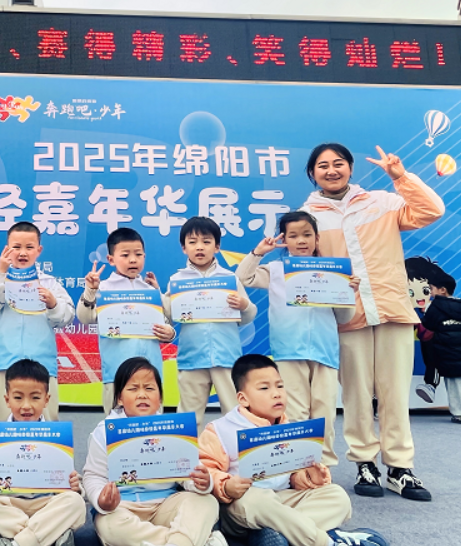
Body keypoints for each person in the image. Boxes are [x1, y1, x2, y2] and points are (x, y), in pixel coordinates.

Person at [302, 144, 443, 501]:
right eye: (322, 165)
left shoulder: (382, 202)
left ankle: (400, 467)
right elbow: (304, 267)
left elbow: (432, 210)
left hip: (392, 309)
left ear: (350, 168)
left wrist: (401, 177)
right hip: (347, 316)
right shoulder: (308, 216)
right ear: (312, 174)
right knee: (356, 394)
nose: (331, 170)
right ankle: (365, 462)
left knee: (394, 393)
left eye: (338, 163)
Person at [198, 354, 389, 546]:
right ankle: (327, 541)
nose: (276, 393)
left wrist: (309, 477)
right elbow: (204, 471)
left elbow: (292, 478)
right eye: (264, 388)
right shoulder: (220, 430)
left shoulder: (290, 429)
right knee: (256, 500)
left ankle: (274, 535)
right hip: (243, 505)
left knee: (337, 496)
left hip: (283, 499)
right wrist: (226, 486)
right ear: (243, 398)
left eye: (280, 386)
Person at [235, 211, 359, 465]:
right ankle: (298, 467)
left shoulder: (333, 272)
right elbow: (243, 278)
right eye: (293, 236)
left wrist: (348, 292)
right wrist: (258, 253)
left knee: (324, 412)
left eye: (307, 235)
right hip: (288, 351)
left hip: (324, 351)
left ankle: (323, 466)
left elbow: (344, 317)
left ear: (317, 238)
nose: (301, 240)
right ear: (284, 240)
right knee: (294, 411)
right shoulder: (276, 270)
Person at [83, 357, 223, 546]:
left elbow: (189, 472)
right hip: (122, 507)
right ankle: (186, 540)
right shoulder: (104, 431)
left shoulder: (172, 429)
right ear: (119, 398)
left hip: (166, 504)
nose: (142, 395)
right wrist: (102, 499)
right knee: (109, 525)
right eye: (133, 389)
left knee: (206, 502)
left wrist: (201, 482)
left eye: (149, 388)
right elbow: (93, 476)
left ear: (160, 397)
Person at [0, 359, 86, 546]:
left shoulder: (56, 437)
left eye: (35, 397)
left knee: (75, 503)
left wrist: (75, 487)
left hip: (46, 505)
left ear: (46, 399)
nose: (26, 405)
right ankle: (46, 536)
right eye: (18, 397)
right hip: (9, 506)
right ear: (7, 400)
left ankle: (13, 541)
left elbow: (69, 484)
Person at [163, 216, 256, 430]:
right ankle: (187, 452)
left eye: (206, 241)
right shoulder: (177, 281)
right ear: (184, 248)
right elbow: (169, 314)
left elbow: (248, 316)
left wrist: (244, 305)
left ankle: (234, 452)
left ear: (217, 247)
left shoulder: (230, 279)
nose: (199, 247)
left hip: (226, 356)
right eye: (192, 242)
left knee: (234, 413)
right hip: (192, 357)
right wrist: (160, 301)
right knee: (189, 416)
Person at [0, 222, 74, 421]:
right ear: (7, 249)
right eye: (16, 247)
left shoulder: (48, 283)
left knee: (47, 424)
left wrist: (53, 304)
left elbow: (66, 317)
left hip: (43, 363)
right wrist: (0, 273)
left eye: (29, 247)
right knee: (6, 424)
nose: (23, 253)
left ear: (39, 250)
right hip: (6, 362)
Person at [76, 227, 176, 413]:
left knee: (152, 424)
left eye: (138, 254)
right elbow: (85, 318)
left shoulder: (150, 290)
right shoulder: (104, 289)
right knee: (117, 423)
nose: (133, 260)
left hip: (150, 372)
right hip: (117, 372)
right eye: (125, 255)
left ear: (144, 256)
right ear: (111, 259)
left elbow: (165, 323)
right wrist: (90, 290)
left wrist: (170, 333)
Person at [419, 263, 461, 423]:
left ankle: (458, 413)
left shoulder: (436, 306)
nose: (430, 292)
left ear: (442, 290)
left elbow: (427, 327)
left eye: (431, 288)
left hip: (446, 353)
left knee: (453, 384)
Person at [405, 256, 440, 403]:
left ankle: (430, 385)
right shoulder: (404, 308)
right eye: (411, 292)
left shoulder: (436, 306)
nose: (419, 297)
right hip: (410, 333)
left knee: (433, 358)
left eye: (425, 290)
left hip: (431, 338)